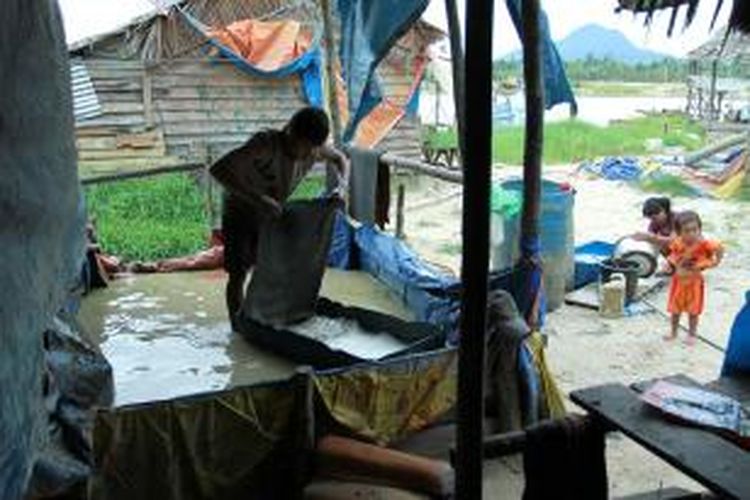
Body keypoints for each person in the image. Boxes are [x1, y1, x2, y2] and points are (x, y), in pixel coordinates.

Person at [209, 107, 349, 331]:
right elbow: (218, 169)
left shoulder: (313, 148)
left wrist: (342, 188)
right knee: (238, 273)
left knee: (275, 268)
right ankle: (239, 329)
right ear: (290, 131)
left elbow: (340, 159)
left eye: (312, 149)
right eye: (303, 147)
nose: (307, 154)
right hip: (240, 212)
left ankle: (269, 317)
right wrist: (259, 199)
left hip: (270, 214)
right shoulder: (265, 145)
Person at [664, 210, 723, 345]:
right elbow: (673, 255)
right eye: (687, 231)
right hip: (678, 282)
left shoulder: (704, 244)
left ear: (700, 229)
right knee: (675, 309)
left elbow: (719, 248)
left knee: (693, 311)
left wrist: (716, 262)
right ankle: (673, 331)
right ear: (679, 232)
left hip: (694, 283)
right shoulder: (678, 243)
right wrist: (668, 264)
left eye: (695, 230)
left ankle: (692, 334)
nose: (692, 234)